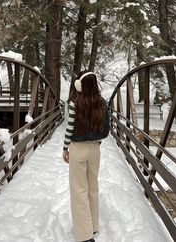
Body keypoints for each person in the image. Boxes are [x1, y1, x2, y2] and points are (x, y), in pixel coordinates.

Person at [63, 70, 110, 242]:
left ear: (79, 85)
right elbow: (106, 130)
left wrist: (65, 148)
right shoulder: (102, 103)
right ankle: (94, 226)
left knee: (79, 191)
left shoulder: (75, 103)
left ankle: (84, 234)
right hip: (95, 150)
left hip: (78, 150)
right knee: (92, 188)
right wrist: (95, 141)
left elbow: (69, 129)